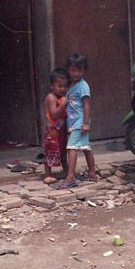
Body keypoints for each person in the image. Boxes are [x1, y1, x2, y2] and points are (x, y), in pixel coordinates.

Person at [57, 53, 97, 189]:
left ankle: (70, 177)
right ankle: (92, 174)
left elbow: (86, 105)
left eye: (79, 70)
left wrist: (85, 123)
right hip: (73, 122)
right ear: (68, 70)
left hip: (80, 121)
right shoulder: (69, 85)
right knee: (85, 147)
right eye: (73, 70)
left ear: (84, 70)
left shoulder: (83, 86)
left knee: (71, 147)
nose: (76, 73)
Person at [42, 69, 69, 184]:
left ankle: (67, 171)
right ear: (52, 86)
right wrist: (63, 105)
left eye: (65, 86)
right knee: (51, 151)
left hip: (61, 130)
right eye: (59, 86)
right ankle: (47, 174)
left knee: (63, 151)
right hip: (52, 132)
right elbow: (54, 114)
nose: (63, 89)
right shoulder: (51, 97)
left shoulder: (61, 97)